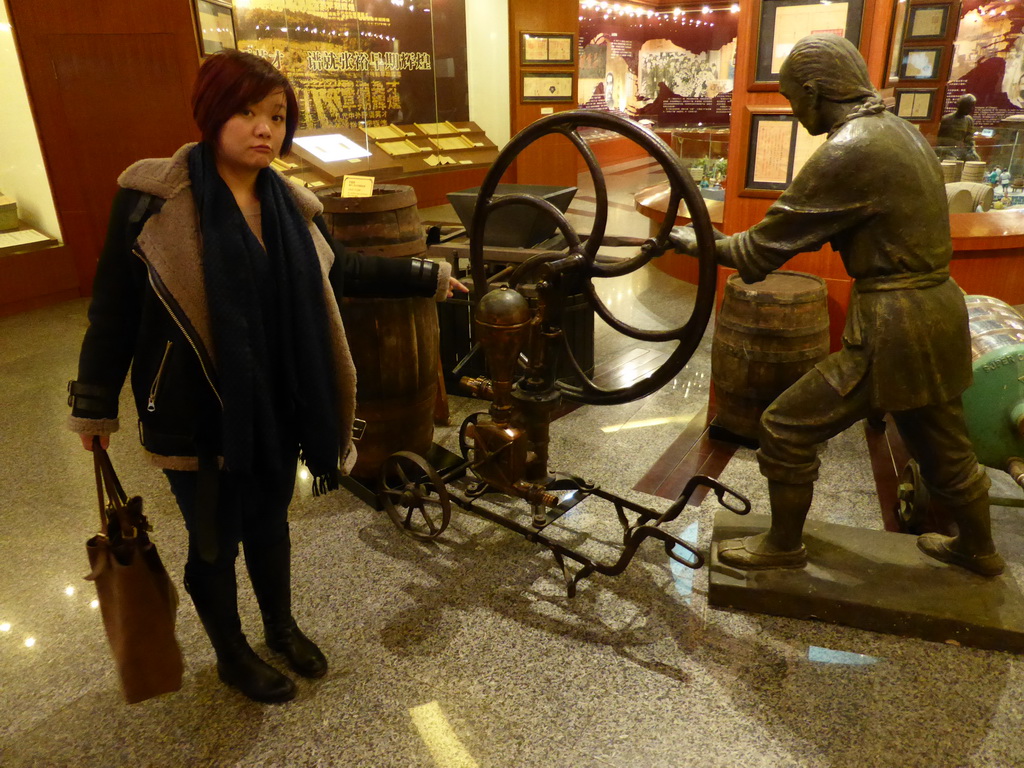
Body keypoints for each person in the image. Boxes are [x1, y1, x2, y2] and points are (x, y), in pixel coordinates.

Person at [67, 50, 466, 703]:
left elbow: (344, 274)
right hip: (194, 413)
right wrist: (93, 406)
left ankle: (281, 628)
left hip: (281, 402)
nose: (264, 129)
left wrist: (428, 276)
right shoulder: (152, 200)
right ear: (211, 113)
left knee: (270, 525)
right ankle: (231, 653)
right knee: (214, 541)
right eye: (247, 112)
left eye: (277, 116)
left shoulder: (290, 205)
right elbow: (112, 310)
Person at [671, 34, 1004, 577]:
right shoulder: (899, 131)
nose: (793, 109)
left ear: (814, 90)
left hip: (895, 322)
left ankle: (782, 547)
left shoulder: (853, 148)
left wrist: (695, 243)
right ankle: (978, 549)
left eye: (791, 98)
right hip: (939, 310)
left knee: (784, 426)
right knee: (940, 442)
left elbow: (761, 251)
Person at [936, 93, 980, 161]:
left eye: (972, 106)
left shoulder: (969, 120)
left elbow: (969, 139)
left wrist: (972, 151)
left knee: (975, 160)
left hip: (962, 151)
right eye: (968, 106)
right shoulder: (947, 119)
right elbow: (940, 140)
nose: (971, 109)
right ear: (960, 106)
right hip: (948, 152)